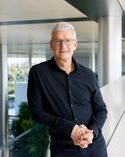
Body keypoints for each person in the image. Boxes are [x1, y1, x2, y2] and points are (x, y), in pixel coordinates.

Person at [27, 22, 108, 157]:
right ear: (51, 45)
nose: (63, 46)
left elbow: (101, 109)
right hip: (63, 150)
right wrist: (70, 128)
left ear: (75, 45)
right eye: (58, 41)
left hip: (95, 147)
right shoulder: (38, 73)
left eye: (68, 41)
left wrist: (92, 132)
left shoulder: (88, 74)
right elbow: (36, 112)